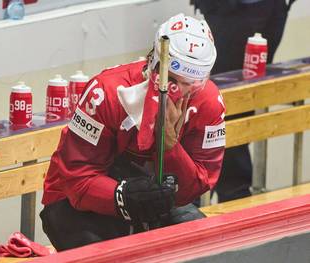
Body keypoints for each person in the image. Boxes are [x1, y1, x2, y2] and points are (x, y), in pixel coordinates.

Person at [39, 13, 226, 251]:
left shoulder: (209, 101)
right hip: (77, 202)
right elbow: (76, 181)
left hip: (158, 195)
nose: (185, 91)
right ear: (155, 64)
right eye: (175, 80)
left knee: (205, 247)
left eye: (196, 82)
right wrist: (123, 196)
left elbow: (194, 188)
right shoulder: (104, 92)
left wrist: (168, 148)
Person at [192, 0, 295, 202]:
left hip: (270, 8)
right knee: (225, 102)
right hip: (231, 11)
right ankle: (217, 190)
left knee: (246, 96)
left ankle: (229, 189)